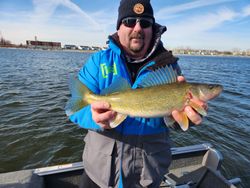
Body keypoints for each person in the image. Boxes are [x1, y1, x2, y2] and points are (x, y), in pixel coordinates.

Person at [68, 0, 206, 187]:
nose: (138, 28)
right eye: (130, 21)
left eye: (145, 22)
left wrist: (183, 119)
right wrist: (94, 118)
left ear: (153, 28)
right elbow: (74, 110)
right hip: (98, 174)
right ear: (119, 27)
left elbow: (172, 122)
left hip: (147, 176)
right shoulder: (97, 61)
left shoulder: (170, 67)